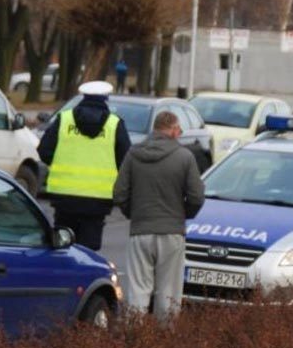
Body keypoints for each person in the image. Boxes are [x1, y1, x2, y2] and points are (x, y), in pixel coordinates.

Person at [113, 111, 205, 324]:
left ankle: (134, 340)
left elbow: (119, 194)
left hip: (140, 231)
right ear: (173, 130)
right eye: (179, 130)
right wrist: (182, 214)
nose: (180, 134)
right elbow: (196, 196)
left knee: (138, 291)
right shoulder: (184, 157)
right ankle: (164, 345)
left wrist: (135, 214)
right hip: (171, 233)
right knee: (168, 293)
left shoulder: (134, 154)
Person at [39, 81, 131, 251]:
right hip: (98, 200)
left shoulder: (64, 120)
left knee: (62, 248)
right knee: (89, 251)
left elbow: (44, 150)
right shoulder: (114, 124)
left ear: (83, 97)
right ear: (106, 99)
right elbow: (126, 160)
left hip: (64, 198)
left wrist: (61, 162)